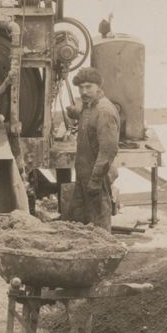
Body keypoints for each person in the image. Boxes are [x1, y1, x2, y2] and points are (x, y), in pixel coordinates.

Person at [65, 67, 120, 232]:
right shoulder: (89, 107)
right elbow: (87, 122)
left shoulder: (104, 111)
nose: (84, 91)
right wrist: (75, 113)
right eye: (81, 88)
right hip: (83, 176)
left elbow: (108, 151)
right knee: (80, 223)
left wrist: (95, 181)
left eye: (88, 87)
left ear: (99, 87)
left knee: (99, 226)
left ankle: (106, 254)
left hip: (97, 177)